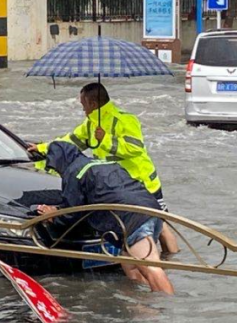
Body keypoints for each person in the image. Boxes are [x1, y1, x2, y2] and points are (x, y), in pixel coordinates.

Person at [28, 82, 179, 254]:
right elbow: (71, 142)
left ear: (92, 104)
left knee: (160, 225)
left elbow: (134, 148)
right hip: (117, 185)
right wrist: (43, 148)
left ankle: (172, 260)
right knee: (131, 226)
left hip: (142, 183)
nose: (83, 109)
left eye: (83, 105)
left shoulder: (125, 119)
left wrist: (105, 138)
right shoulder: (91, 123)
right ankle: (139, 259)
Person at [35, 141, 174, 294]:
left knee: (151, 267)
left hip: (132, 218)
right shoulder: (100, 163)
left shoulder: (74, 171)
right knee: (130, 265)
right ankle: (143, 308)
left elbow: (72, 212)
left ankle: (169, 310)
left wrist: (53, 216)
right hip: (151, 208)